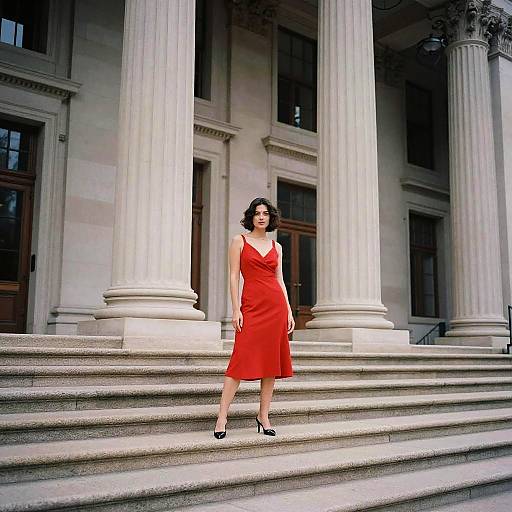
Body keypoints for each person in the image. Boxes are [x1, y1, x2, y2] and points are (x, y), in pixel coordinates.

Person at [213, 197, 294, 439]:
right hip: (251, 306)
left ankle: (264, 415)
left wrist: (288, 310)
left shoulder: (276, 247)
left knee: (271, 364)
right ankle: (221, 416)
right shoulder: (239, 241)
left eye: (265, 213)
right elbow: (233, 277)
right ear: (251, 216)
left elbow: (280, 280)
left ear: (271, 217)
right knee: (239, 361)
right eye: (257, 213)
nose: (261, 216)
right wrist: (236, 309)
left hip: (275, 307)